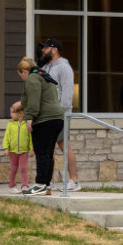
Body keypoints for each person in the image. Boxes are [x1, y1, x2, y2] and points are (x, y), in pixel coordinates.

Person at [17, 56, 65, 196]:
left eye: (20, 75)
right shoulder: (44, 76)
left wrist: (29, 118)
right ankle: (47, 185)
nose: (22, 78)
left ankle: (40, 185)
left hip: (44, 120)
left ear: (24, 71)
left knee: (42, 152)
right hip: (57, 119)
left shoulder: (32, 78)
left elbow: (34, 99)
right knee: (48, 153)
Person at [38, 38, 80, 191]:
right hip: (46, 114)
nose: (43, 50)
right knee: (48, 147)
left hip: (60, 114)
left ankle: (74, 181)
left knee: (63, 144)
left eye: (45, 48)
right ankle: (49, 182)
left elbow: (67, 93)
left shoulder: (64, 67)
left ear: (54, 50)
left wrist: (59, 113)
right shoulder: (45, 67)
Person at [3, 100, 32, 192]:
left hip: (24, 151)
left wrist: (32, 149)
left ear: (20, 114)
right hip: (12, 151)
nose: (10, 114)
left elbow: (30, 138)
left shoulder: (26, 125)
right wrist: (6, 148)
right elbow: (6, 137)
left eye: (12, 112)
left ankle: (25, 185)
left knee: (23, 168)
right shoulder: (10, 125)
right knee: (13, 168)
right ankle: (12, 186)